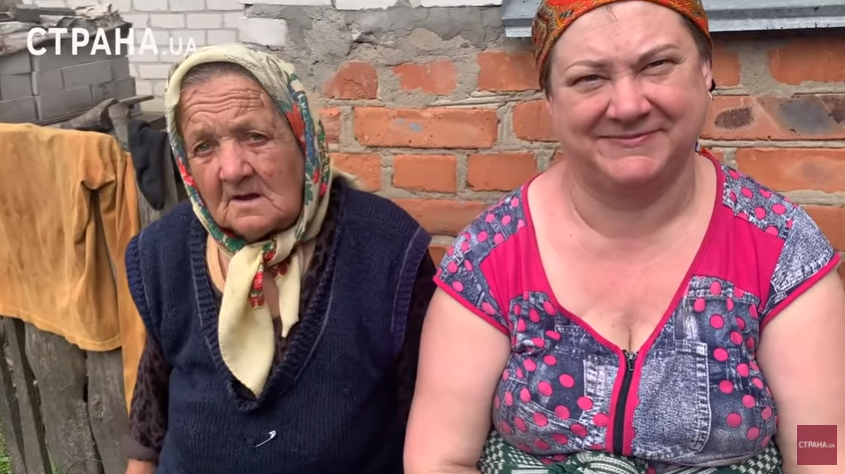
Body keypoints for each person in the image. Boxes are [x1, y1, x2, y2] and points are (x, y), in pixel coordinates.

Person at [404, 1, 845, 473]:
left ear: (705, 70)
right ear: (551, 99)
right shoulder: (490, 256)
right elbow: (440, 457)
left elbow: (821, 448)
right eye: (589, 78)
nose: (629, 105)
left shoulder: (781, 251)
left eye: (657, 65)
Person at [122, 42, 436, 474]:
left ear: (303, 137)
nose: (232, 169)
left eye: (255, 136)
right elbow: (148, 427)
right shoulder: (164, 252)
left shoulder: (386, 252)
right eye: (204, 146)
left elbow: (434, 433)